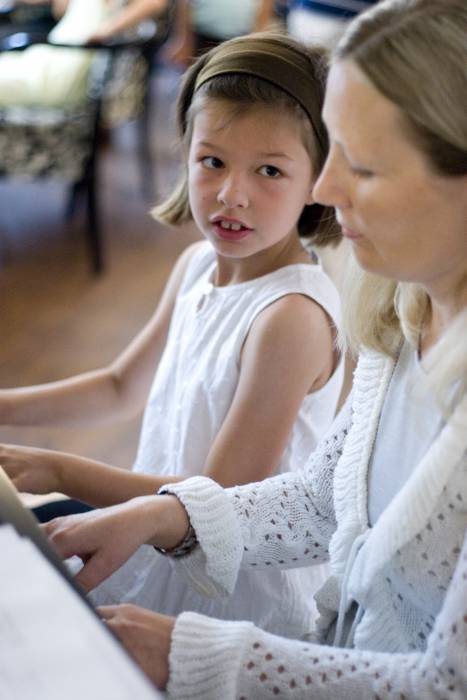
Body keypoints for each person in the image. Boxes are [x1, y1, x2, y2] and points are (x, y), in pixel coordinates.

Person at [36, 0, 467, 696]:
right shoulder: (399, 312)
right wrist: (161, 513)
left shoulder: (295, 313)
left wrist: (201, 656)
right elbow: (324, 497)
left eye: (360, 164)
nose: (322, 189)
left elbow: (444, 684)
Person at [1, 33, 345, 633]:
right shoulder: (195, 266)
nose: (231, 195)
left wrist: (58, 470)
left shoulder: (290, 316)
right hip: (152, 537)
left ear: (317, 180)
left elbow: (218, 498)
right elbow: (118, 387)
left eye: (269, 170)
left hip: (231, 594)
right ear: (184, 152)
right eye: (212, 161)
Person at [0, 0, 167, 107]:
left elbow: (155, 3)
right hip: (55, 52)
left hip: (68, 65)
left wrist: (107, 30)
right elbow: (61, 10)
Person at [164, 0, 276, 67]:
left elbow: (265, 7)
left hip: (239, 39)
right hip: (202, 36)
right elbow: (185, 4)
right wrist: (183, 41)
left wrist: (256, 42)